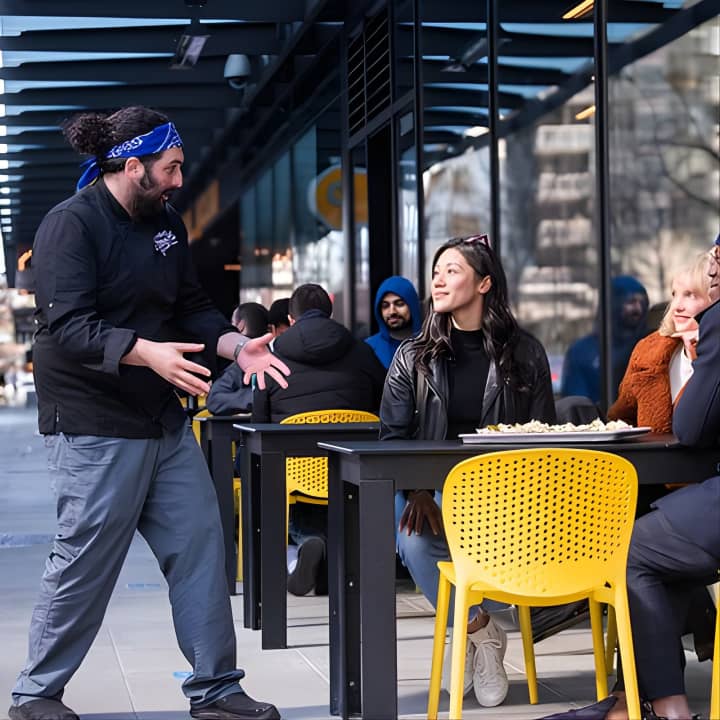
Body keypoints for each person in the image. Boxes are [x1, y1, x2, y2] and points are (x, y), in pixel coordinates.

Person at [8, 106, 289, 720]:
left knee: (202, 545)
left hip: (162, 421)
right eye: (171, 168)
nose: (179, 181)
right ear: (133, 166)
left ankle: (216, 690)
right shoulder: (69, 225)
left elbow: (190, 306)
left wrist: (235, 345)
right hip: (91, 424)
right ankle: (35, 695)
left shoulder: (166, 223)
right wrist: (146, 352)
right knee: (84, 562)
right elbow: (68, 325)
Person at [379, 234, 556, 708]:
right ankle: (481, 631)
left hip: (511, 500)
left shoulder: (526, 353)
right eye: (436, 272)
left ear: (484, 283)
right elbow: (392, 438)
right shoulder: (412, 356)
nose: (438, 280)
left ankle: (471, 630)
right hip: (439, 497)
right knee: (412, 536)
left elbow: (545, 435)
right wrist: (417, 490)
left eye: (452, 271)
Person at [252, 283, 386, 595]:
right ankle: (329, 560)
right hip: (350, 465)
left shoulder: (273, 357)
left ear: (291, 318)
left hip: (295, 469)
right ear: (330, 312)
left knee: (279, 478)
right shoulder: (361, 350)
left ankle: (309, 545)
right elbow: (385, 398)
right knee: (337, 491)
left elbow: (259, 417)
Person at [608, 255, 713, 435]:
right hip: (651, 453)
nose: (676, 306)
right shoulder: (648, 350)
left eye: (690, 295)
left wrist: (697, 356)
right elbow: (621, 419)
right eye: (674, 295)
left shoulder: (714, 354)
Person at [561, 276, 649, 404]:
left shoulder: (649, 348)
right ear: (613, 304)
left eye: (642, 302)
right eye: (631, 302)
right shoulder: (582, 352)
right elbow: (576, 405)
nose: (638, 309)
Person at [206, 302, 269, 415]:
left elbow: (214, 401)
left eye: (232, 324)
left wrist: (259, 396)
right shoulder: (281, 354)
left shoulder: (239, 362)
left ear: (240, 325)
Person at [364, 275, 422, 369]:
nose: (392, 312)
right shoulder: (368, 349)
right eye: (385, 306)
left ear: (413, 307)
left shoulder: (431, 347)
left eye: (399, 304)